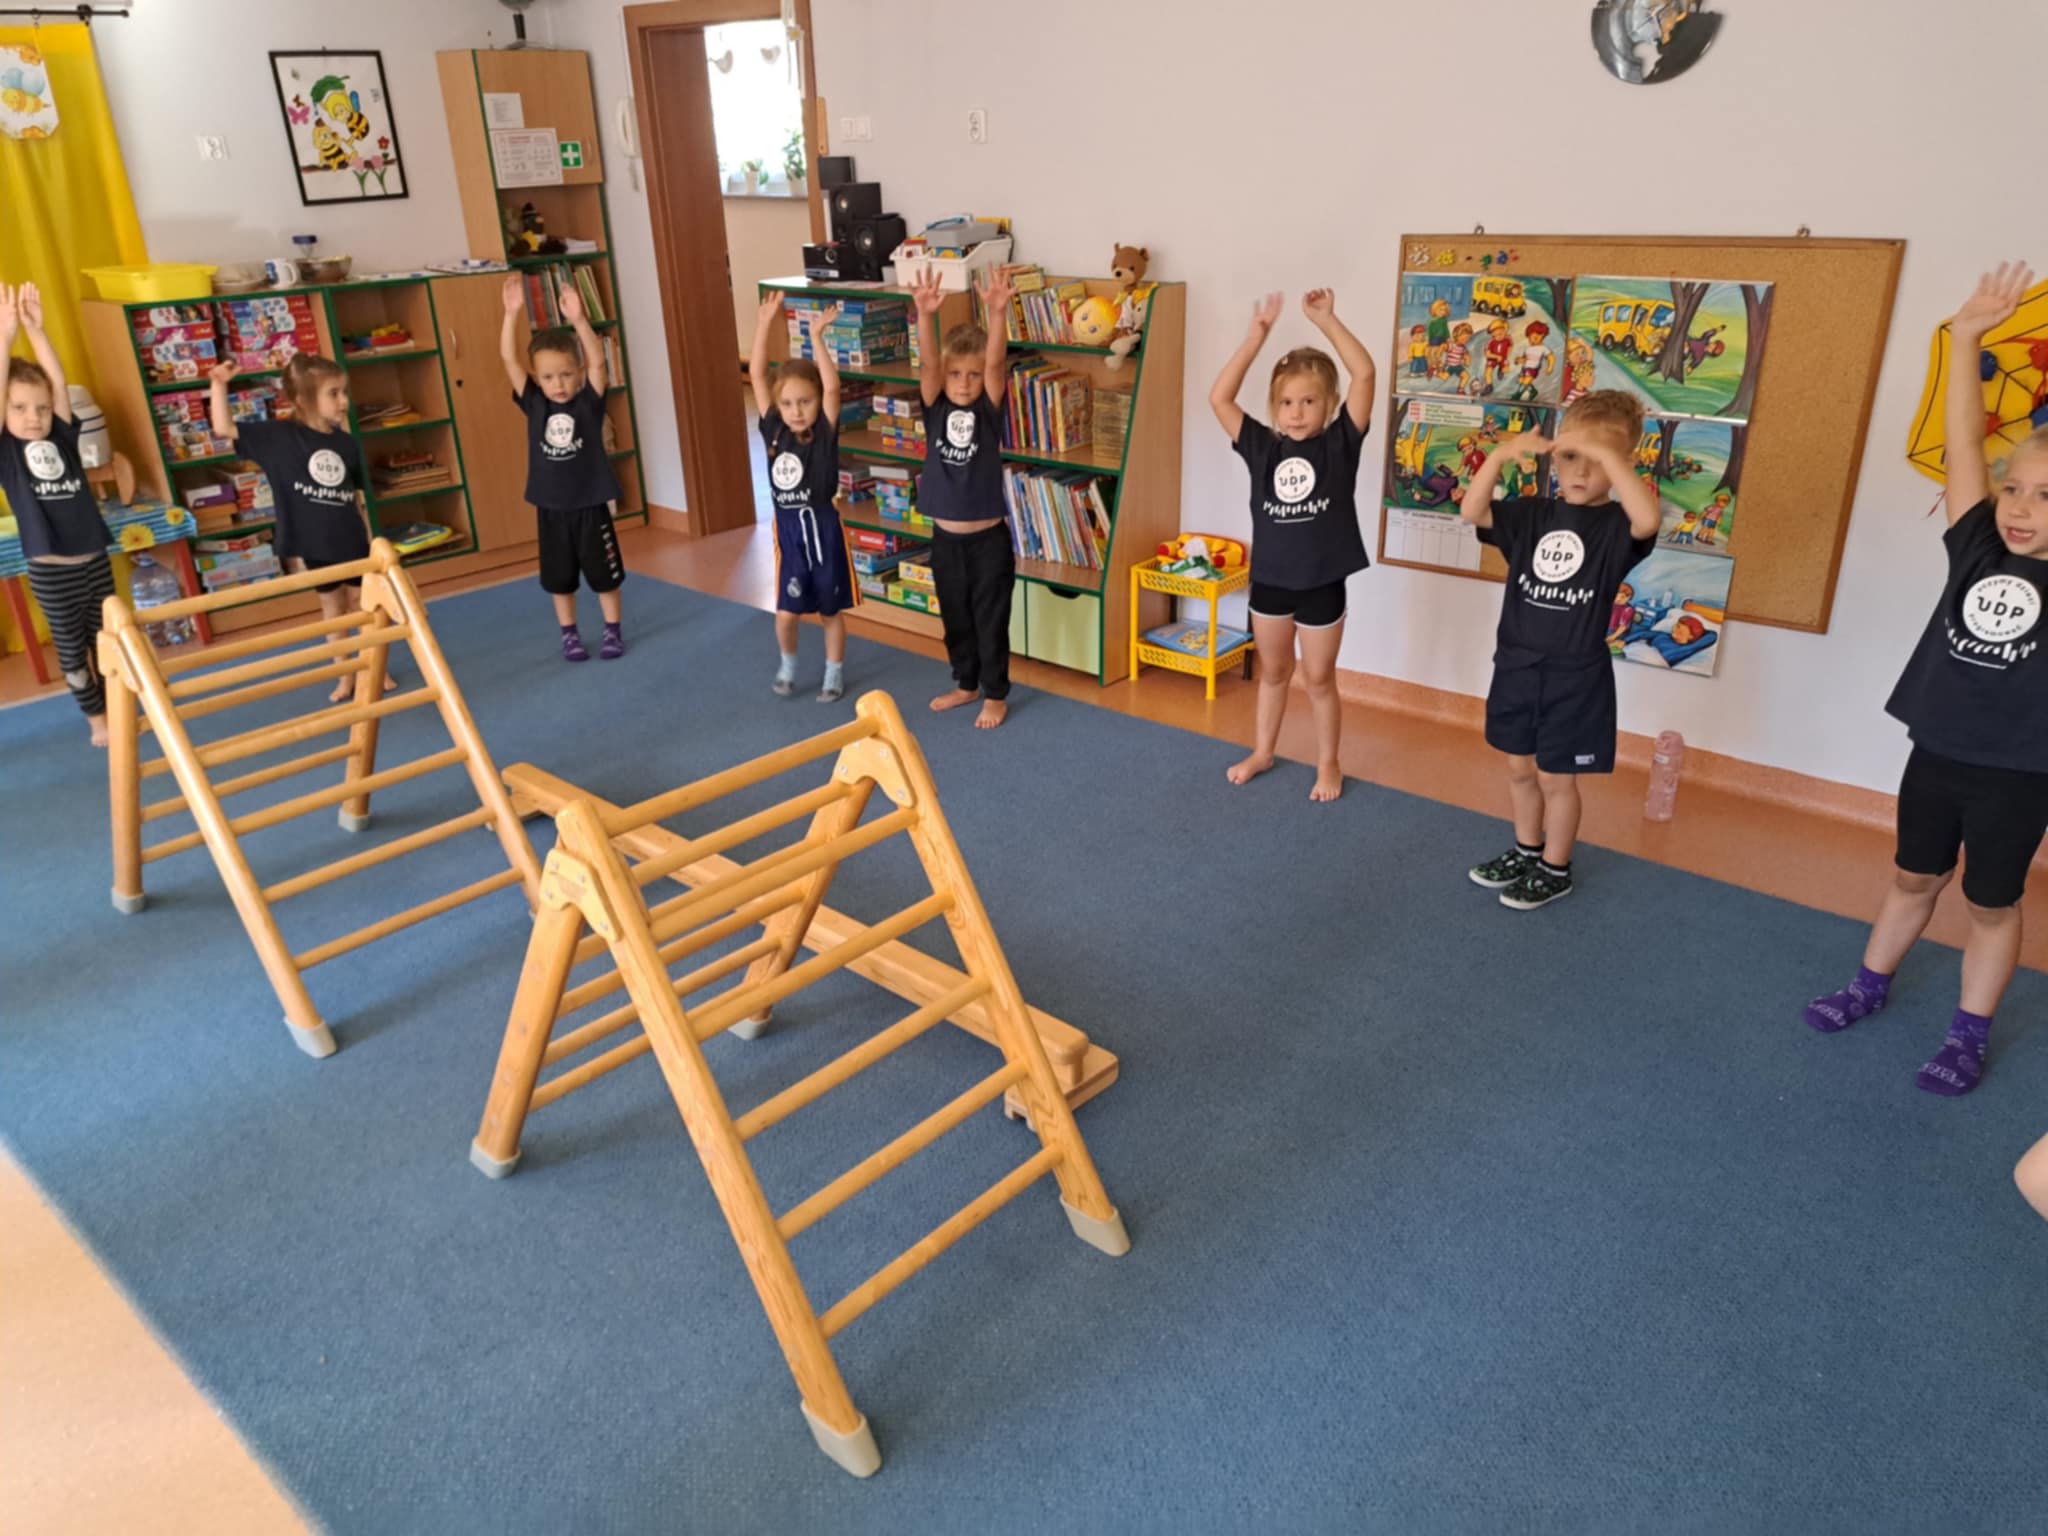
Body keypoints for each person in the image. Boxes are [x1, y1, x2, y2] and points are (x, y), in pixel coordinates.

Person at [1803, 261, 2048, 1096]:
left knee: (1989, 904)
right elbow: (1966, 447)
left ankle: (1968, 1032)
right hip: (1939, 749)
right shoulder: (1978, 546)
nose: (2020, 506)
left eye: (2045, 496)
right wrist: (1968, 336)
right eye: (2016, 489)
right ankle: (1869, 983)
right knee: (1913, 876)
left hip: (2021, 770)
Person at [1459, 389, 1661, 908]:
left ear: (1620, 465)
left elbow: (1648, 521)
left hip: (1574, 678)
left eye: (1598, 461)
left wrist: (1612, 457)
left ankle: (1556, 866)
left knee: (1556, 777)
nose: (1581, 471)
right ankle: (1526, 850)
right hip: (1517, 667)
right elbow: (1472, 511)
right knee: (1519, 768)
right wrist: (1500, 456)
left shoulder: (1617, 527)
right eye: (1570, 456)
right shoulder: (1532, 515)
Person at [1209, 289, 1375, 802]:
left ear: (1328, 405)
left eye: (1308, 401)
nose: (1296, 412)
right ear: (1274, 407)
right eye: (1286, 402)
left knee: (1319, 678)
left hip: (1322, 582)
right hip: (1272, 582)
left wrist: (1327, 320)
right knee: (1275, 672)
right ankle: (1263, 751)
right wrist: (1255, 338)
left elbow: (1365, 374)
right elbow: (1220, 398)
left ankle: (1329, 763)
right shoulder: (1262, 447)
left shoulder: (1340, 444)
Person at [209, 352, 390, 701]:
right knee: (333, 608)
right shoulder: (278, 438)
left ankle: (373, 668)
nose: (344, 401)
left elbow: (355, 498)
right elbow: (224, 428)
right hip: (315, 542)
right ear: (303, 400)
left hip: (351, 538)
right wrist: (218, 385)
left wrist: (370, 538)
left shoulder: (346, 443)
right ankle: (345, 674)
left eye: (344, 392)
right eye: (333, 393)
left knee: (363, 605)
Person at [0, 282, 115, 744]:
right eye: (20, 407)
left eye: (41, 408)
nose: (34, 416)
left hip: (94, 561)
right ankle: (97, 721)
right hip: (52, 571)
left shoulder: (62, 438)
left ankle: (117, 707)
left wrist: (37, 332)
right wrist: (6, 339)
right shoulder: (7, 452)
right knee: (72, 652)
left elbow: (59, 384)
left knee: (107, 644)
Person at [911, 264, 1017, 729]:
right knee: (955, 618)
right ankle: (966, 682)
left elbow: (995, 364)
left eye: (972, 375)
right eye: (956, 373)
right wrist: (925, 316)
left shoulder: (987, 411)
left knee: (990, 619)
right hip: (946, 541)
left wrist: (998, 313)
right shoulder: (935, 408)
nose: (963, 382)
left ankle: (995, 693)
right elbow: (929, 365)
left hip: (988, 542)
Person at [500, 275, 625, 661]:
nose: (558, 383)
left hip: (590, 505)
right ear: (537, 379)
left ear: (579, 373)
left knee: (604, 575)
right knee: (560, 579)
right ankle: (569, 634)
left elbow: (599, 362)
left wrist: (580, 321)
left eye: (567, 374)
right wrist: (511, 314)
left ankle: (612, 630)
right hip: (552, 508)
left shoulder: (588, 403)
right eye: (549, 377)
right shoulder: (535, 403)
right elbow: (509, 360)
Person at [750, 290, 854, 701]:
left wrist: (816, 339)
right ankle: (788, 664)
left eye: (805, 402)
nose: (796, 411)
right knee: (785, 613)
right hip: (789, 532)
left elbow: (833, 388)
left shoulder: (824, 432)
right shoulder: (774, 428)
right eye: (789, 403)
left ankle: (834, 672)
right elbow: (757, 374)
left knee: (830, 610)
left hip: (823, 528)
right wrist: (764, 324)